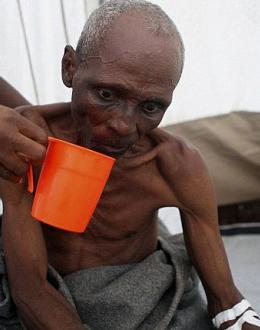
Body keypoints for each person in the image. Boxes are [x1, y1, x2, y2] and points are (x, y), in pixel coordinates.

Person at [0, 1, 259, 329]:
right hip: (46, 282)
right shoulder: (27, 141)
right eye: (106, 95)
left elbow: (227, 303)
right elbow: (30, 289)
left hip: (139, 290)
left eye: (151, 106)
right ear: (70, 68)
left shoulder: (175, 165)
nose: (123, 126)